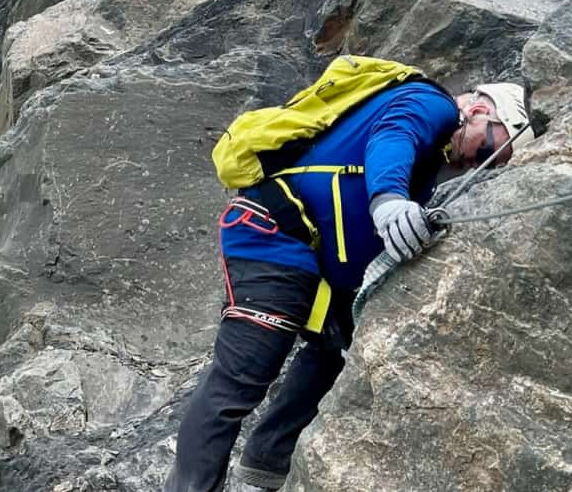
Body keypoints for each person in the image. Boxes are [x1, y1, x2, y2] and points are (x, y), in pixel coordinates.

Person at [165, 76, 539, 492]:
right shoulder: (431, 104)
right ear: (481, 112)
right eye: (487, 150)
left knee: (338, 350)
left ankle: (264, 469)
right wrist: (389, 200)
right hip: (272, 236)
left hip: (313, 261)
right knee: (240, 378)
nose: (476, 163)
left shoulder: (434, 155)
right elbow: (394, 134)